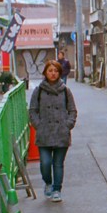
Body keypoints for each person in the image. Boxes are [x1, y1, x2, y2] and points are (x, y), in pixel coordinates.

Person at [28, 59, 78, 202]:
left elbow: (72, 110)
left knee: (57, 163)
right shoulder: (38, 91)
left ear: (60, 73)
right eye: (50, 70)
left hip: (61, 133)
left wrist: (67, 125)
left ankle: (57, 189)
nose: (53, 73)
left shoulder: (65, 90)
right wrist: (38, 125)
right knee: (45, 163)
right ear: (45, 72)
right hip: (44, 133)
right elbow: (32, 110)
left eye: (56, 71)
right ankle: (48, 183)